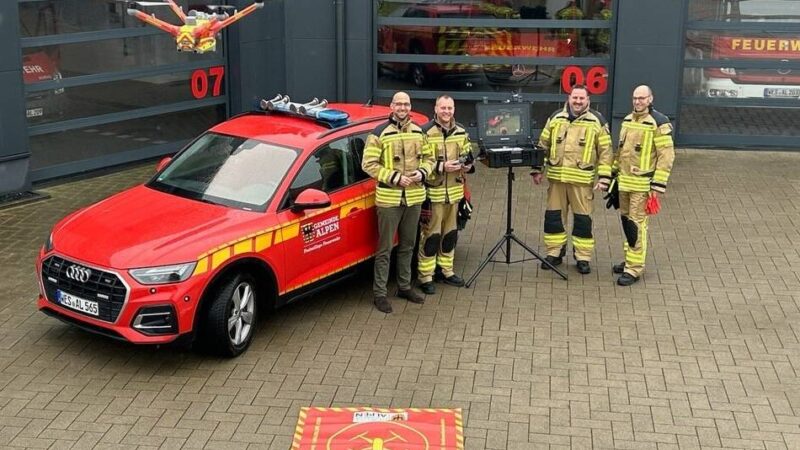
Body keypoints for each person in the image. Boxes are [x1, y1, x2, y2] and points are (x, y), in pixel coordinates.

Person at [362, 92, 435, 313]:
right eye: (398, 104)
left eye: (406, 104)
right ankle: (380, 294)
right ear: (392, 106)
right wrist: (394, 177)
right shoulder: (379, 133)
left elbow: (430, 159)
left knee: (408, 245)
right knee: (384, 249)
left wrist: (422, 173)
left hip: (413, 197)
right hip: (389, 199)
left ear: (410, 106)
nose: (402, 107)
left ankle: (404, 286)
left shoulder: (419, 132)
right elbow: (368, 164)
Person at [532, 84, 613, 274]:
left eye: (581, 98)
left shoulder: (597, 121)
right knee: (553, 219)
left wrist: (604, 178)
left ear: (588, 100)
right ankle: (554, 253)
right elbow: (542, 145)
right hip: (557, 181)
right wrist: (537, 169)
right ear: (569, 98)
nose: (577, 101)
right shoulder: (555, 118)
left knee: (582, 221)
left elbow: (606, 153)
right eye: (574, 98)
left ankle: (583, 258)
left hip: (581, 183)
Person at [612, 85, 675, 286]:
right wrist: (613, 175)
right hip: (624, 183)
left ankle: (634, 269)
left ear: (650, 98)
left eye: (642, 98)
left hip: (642, 185)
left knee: (636, 225)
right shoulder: (628, 120)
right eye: (635, 98)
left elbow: (667, 156)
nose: (638, 101)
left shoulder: (659, 123)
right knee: (626, 222)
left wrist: (658, 185)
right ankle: (631, 259)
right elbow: (620, 151)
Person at [417, 95, 474, 295]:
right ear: (436, 108)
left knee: (450, 234)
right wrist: (442, 166)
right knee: (431, 236)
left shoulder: (461, 131)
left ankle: (446, 271)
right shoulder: (425, 132)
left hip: (455, 192)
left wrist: (468, 165)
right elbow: (420, 162)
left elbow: (468, 156)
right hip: (434, 193)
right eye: (443, 108)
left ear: (454, 109)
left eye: (450, 108)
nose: (447, 112)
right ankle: (426, 276)